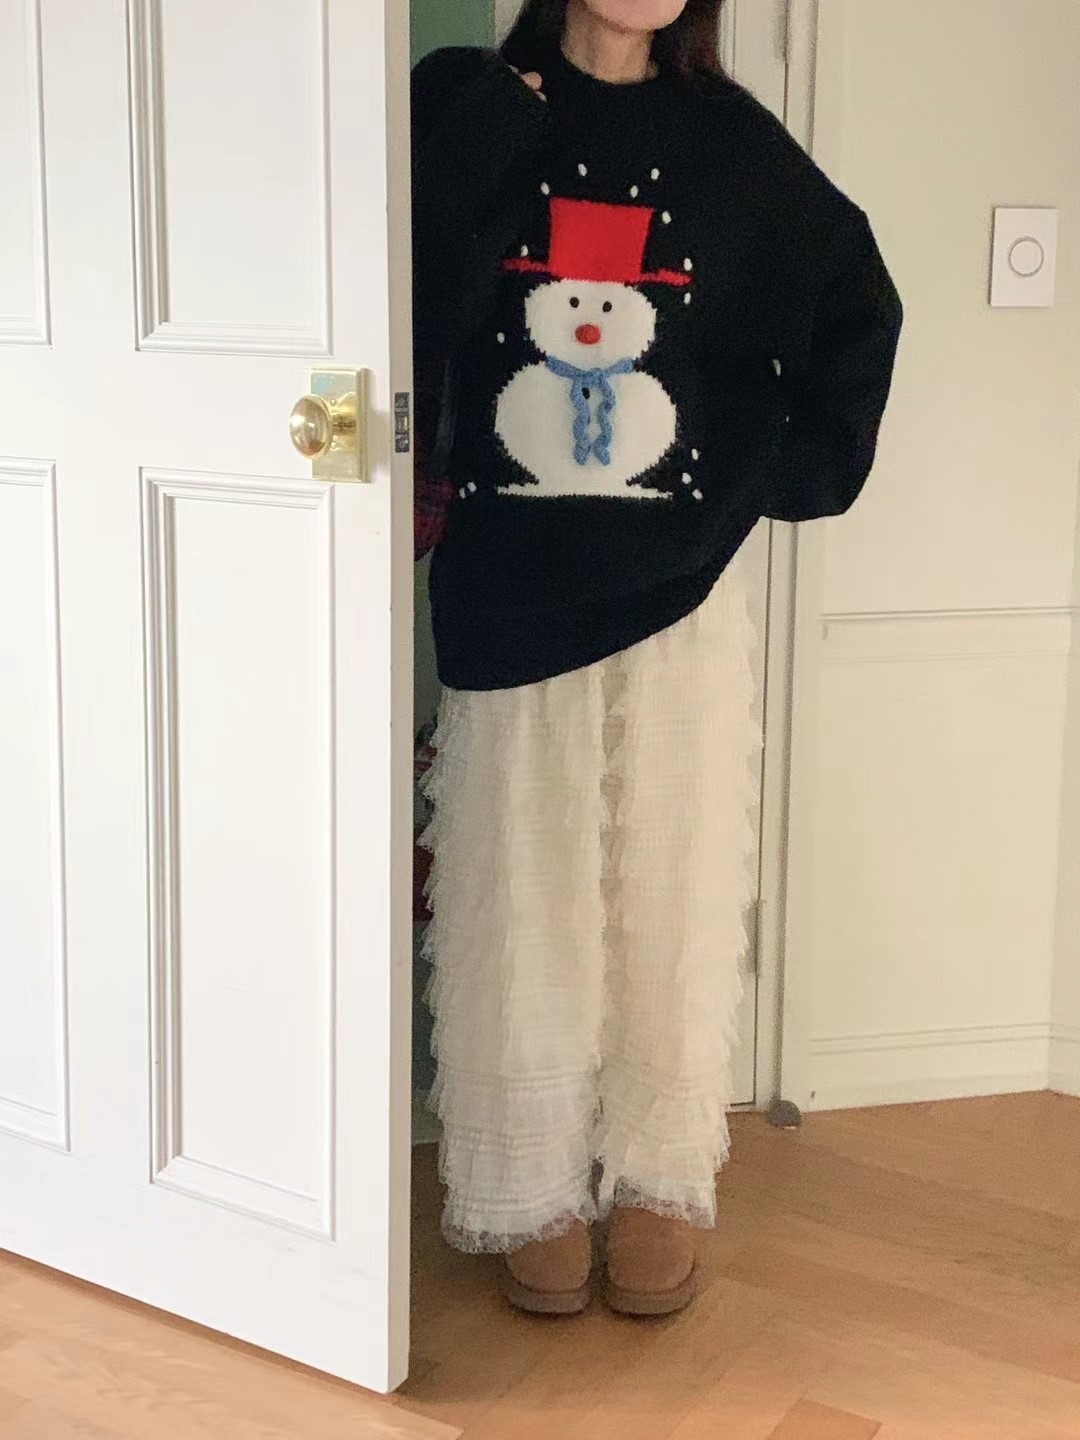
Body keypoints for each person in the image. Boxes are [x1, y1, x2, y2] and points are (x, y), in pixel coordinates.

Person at [412, 0, 903, 1317]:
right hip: (511, 584)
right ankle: (532, 1182)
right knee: (520, 891)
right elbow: (411, 294)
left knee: (668, 888)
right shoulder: (467, 98)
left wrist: (782, 476)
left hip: (679, 589)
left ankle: (653, 1178)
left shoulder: (732, 143)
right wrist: (492, 135)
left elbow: (856, 299)